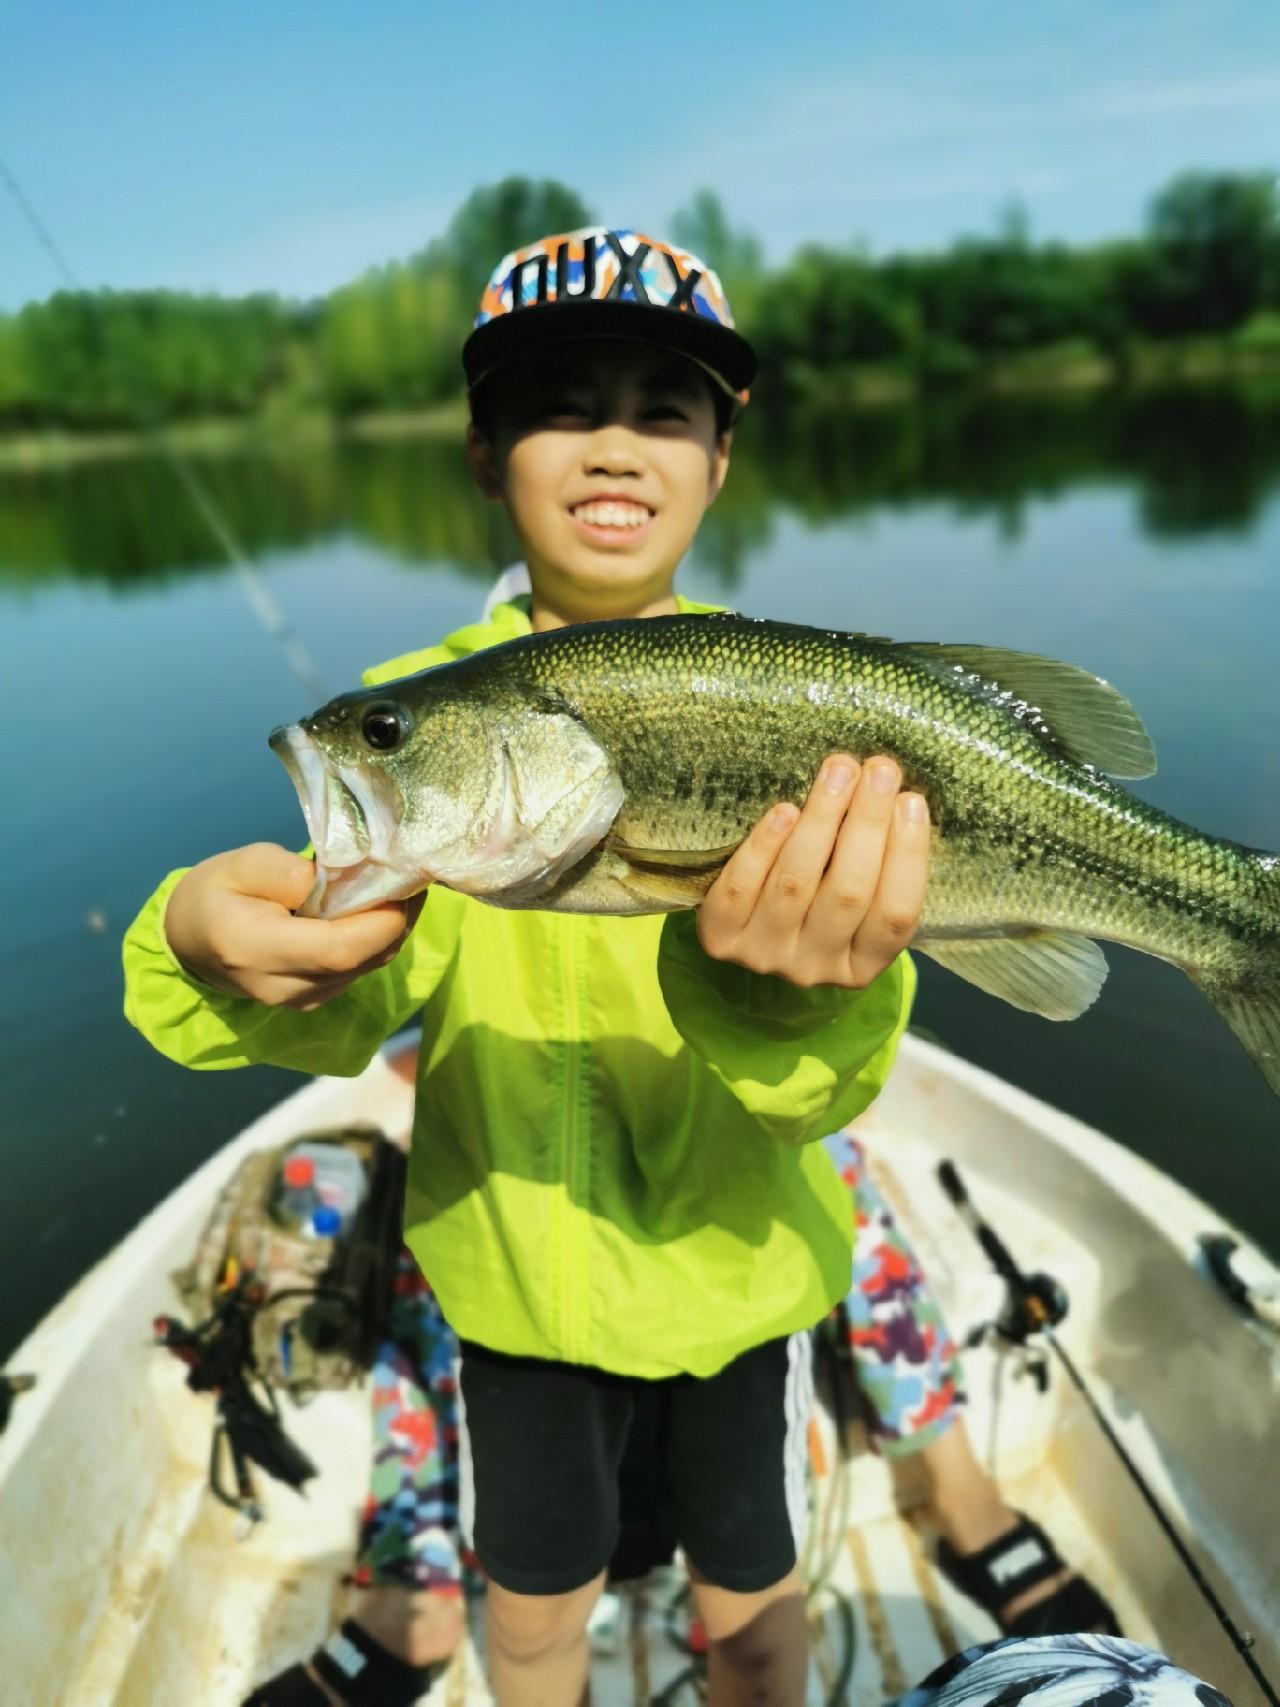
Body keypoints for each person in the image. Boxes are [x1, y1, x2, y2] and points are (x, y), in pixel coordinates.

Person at [126, 224, 931, 1707]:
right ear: (487, 456)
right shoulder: (409, 719)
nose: (614, 443)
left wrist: (779, 990)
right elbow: (351, 987)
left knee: (755, 1604)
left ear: (720, 461)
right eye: (562, 404)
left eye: (664, 406)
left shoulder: (804, 706)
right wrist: (204, 945)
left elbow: (840, 1071)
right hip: (515, 1298)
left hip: (737, 1285)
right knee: (535, 1599)